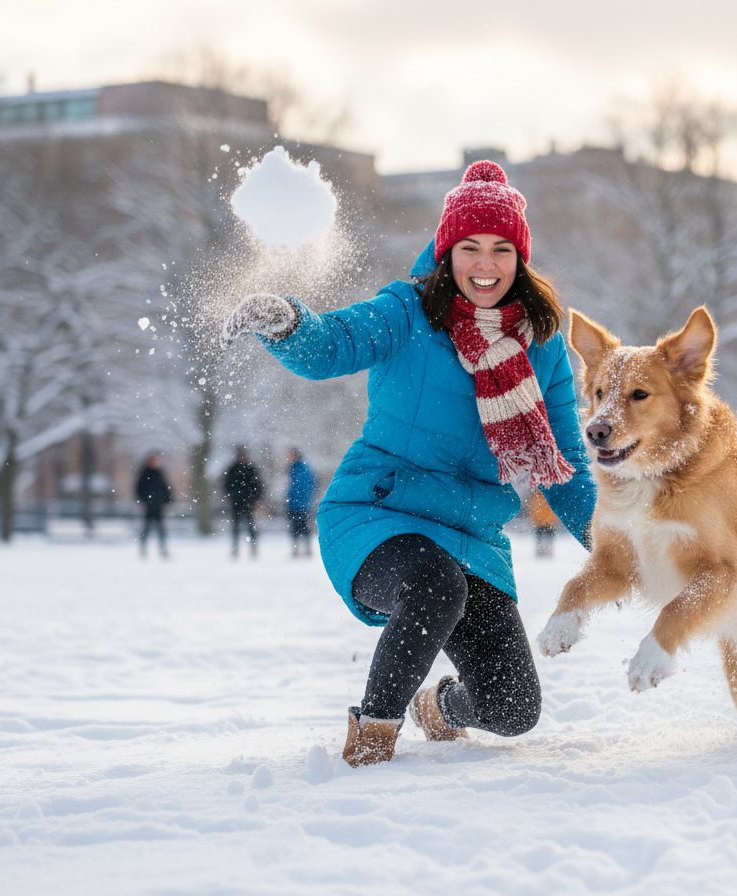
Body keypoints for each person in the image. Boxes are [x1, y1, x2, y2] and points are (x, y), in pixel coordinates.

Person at [221, 161, 595, 766]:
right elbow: (333, 344)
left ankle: (438, 707)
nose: (485, 264)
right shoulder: (407, 312)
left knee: (513, 709)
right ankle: (373, 735)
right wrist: (288, 323)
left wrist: (621, 547)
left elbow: (567, 465)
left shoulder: (543, 342)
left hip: (472, 537)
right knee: (434, 584)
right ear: (447, 252)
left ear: (520, 259)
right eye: (470, 247)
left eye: (501, 250)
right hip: (379, 516)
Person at [223, 446, 263, 558]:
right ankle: (235, 548)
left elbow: (257, 485)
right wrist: (233, 496)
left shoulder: (251, 469)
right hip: (236, 502)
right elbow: (227, 485)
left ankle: (253, 547)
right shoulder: (233, 469)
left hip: (249, 502)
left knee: (250, 526)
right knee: (236, 526)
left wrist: (254, 498)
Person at [135, 453, 172, 558]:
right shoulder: (144, 473)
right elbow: (139, 489)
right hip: (148, 506)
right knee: (146, 528)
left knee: (161, 529)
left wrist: (167, 500)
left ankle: (163, 548)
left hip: (159, 505)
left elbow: (165, 487)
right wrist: (144, 501)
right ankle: (143, 548)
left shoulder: (159, 472)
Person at [286, 447, 317, 557]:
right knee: (296, 528)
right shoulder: (294, 468)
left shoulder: (302, 469)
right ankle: (298, 549)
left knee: (303, 527)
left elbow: (303, 487)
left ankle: (306, 549)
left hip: (301, 504)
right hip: (295, 503)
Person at [528, 490, 558, 558]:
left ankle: (541, 550)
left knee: (540, 537)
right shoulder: (550, 495)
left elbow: (533, 508)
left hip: (541, 520)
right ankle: (547, 550)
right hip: (549, 520)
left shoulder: (536, 496)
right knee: (547, 536)